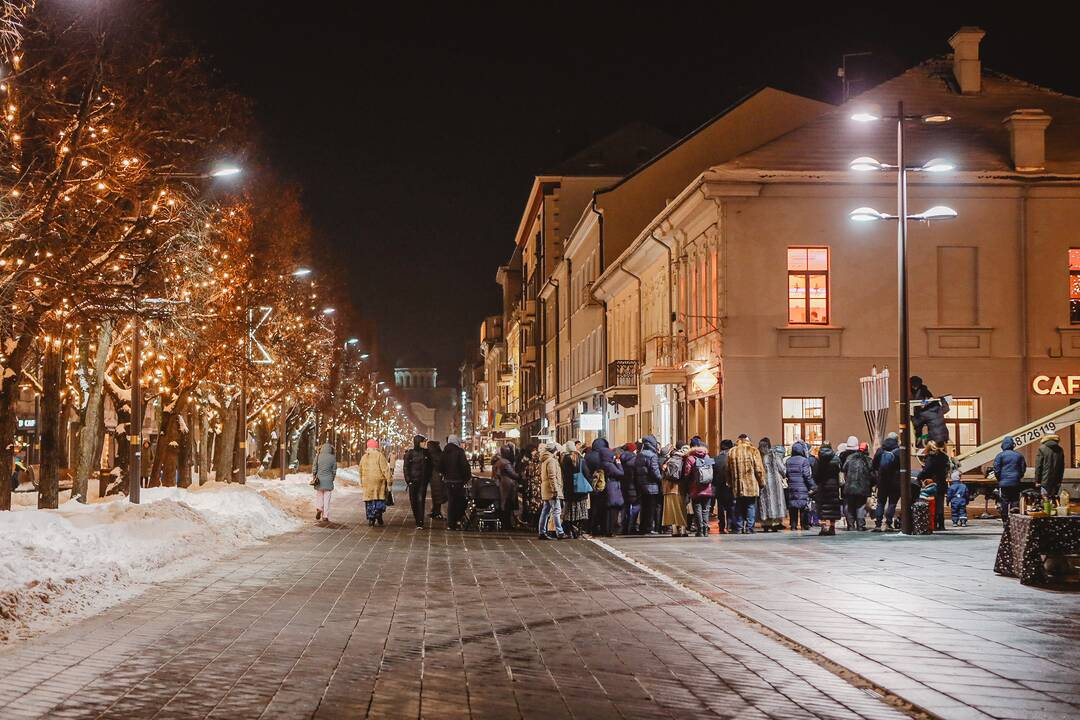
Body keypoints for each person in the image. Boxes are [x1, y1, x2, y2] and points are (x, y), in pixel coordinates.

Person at [585, 437, 623, 537]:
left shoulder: (588, 456)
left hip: (592, 486)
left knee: (593, 508)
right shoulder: (606, 459)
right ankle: (603, 528)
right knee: (604, 509)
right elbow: (619, 473)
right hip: (605, 487)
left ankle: (591, 528)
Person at [729, 434, 765, 533]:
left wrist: (730, 483)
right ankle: (749, 528)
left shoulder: (732, 451)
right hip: (751, 484)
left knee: (738, 506)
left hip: (737, 484)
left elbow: (728, 470)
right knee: (751, 506)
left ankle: (739, 527)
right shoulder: (753, 451)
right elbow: (759, 469)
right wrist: (761, 482)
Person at [839, 437, 873, 531]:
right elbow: (872, 472)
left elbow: (844, 468)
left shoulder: (850, 458)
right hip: (863, 486)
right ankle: (860, 525)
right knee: (860, 506)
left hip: (849, 485)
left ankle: (850, 525)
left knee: (849, 505)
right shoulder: (867, 460)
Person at [916, 440, 950, 530]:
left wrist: (919, 477)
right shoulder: (944, 456)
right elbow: (947, 468)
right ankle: (941, 524)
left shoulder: (930, 457)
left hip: (932, 482)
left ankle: (933, 524)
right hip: (942, 482)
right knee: (940, 503)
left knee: (932, 503)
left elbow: (927, 470)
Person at [992, 437, 1027, 524]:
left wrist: (999, 479)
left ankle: (1005, 520)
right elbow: (1023, 468)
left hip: (1004, 482)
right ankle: (1014, 519)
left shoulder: (1000, 456)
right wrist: (1019, 476)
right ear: (1013, 445)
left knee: (1004, 500)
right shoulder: (1019, 455)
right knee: (1015, 500)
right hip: (1015, 481)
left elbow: (996, 469)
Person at [440, 434, 472, 530]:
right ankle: (457, 521)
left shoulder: (444, 452)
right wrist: (466, 478)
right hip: (458, 481)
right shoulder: (459, 451)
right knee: (460, 501)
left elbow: (440, 466)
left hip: (448, 481)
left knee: (451, 502)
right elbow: (464, 466)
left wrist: (445, 475)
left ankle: (450, 523)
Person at [871, 432, 902, 531]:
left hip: (882, 480)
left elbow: (874, 465)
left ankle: (878, 524)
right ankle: (888, 523)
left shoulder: (880, 450)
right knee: (892, 503)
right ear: (897, 440)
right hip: (895, 481)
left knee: (880, 502)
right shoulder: (899, 451)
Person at [684, 437, 714, 537]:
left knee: (697, 508)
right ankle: (705, 529)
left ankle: (700, 529)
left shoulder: (690, 458)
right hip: (707, 487)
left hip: (695, 488)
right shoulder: (707, 457)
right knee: (706, 509)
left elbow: (687, 473)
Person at [537, 442, 566, 540]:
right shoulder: (551, 461)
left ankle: (541, 532)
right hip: (551, 489)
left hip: (546, 488)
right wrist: (555, 490)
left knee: (545, 511)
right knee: (557, 511)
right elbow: (552, 476)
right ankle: (560, 532)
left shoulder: (545, 460)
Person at [360, 439, 392, 527]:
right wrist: (389, 480)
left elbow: (360, 470)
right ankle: (378, 514)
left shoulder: (364, 457)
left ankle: (371, 518)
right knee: (379, 498)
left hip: (367, 482)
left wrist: (362, 481)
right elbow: (385, 469)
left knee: (369, 500)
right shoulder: (380, 456)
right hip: (378, 482)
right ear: (376, 447)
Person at [560, 442, 589, 538]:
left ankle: (571, 530)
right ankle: (579, 530)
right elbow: (586, 474)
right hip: (581, 490)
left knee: (569, 512)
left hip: (569, 490)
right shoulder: (580, 459)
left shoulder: (564, 460)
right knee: (582, 512)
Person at [757, 438, 787, 532]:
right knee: (775, 501)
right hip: (775, 483)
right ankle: (775, 523)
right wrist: (784, 474)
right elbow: (782, 468)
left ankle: (766, 523)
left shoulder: (758, 455)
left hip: (763, 482)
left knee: (764, 502)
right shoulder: (774, 455)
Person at [635, 435, 663, 535]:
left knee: (644, 507)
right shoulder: (652, 455)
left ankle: (642, 527)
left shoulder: (640, 454)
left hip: (641, 485)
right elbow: (654, 471)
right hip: (652, 485)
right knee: (651, 508)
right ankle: (649, 527)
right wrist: (661, 479)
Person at [785, 441, 816, 530]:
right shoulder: (804, 461)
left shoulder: (788, 460)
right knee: (803, 507)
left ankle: (793, 526)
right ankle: (803, 525)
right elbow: (807, 475)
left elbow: (786, 473)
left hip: (792, 486)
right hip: (802, 486)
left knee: (793, 507)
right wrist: (813, 486)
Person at [491, 444, 522, 531]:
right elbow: (513, 474)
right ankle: (507, 524)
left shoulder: (498, 461)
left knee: (504, 505)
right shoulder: (505, 463)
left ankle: (506, 523)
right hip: (507, 485)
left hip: (501, 484)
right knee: (507, 505)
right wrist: (520, 476)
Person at [403, 434, 431, 529]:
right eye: (423, 442)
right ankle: (417, 518)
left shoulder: (427, 453)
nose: (425, 443)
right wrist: (408, 480)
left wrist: (428, 478)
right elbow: (406, 467)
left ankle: (420, 522)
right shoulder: (410, 454)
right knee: (413, 501)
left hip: (422, 481)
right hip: (412, 481)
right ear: (418, 442)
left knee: (420, 500)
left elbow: (431, 466)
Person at [814, 443, 842, 535]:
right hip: (834, 484)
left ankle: (823, 527)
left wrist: (817, 482)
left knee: (823, 506)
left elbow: (816, 474)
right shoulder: (836, 459)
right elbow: (839, 471)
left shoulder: (818, 459)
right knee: (832, 506)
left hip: (822, 485)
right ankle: (832, 527)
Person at [662, 444, 689, 536]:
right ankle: (683, 530)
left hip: (668, 488)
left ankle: (674, 530)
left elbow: (664, 473)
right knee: (681, 510)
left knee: (671, 511)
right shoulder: (684, 460)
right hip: (679, 488)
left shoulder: (669, 460)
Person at [712, 439, 734, 534]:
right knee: (730, 506)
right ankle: (730, 525)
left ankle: (722, 525)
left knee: (721, 507)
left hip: (718, 487)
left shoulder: (715, 459)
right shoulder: (732, 459)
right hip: (730, 486)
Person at [1035, 434, 1065, 502]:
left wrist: (1037, 480)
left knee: (1045, 499)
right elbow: (1062, 466)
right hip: (1056, 480)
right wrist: (1059, 480)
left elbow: (1038, 466)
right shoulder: (1060, 449)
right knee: (1054, 499)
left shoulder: (1042, 448)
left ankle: (1047, 511)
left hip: (1045, 480)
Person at [312, 442, 337, 523]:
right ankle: (325, 516)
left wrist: (314, 475)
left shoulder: (318, 456)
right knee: (327, 499)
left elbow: (314, 467)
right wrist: (332, 478)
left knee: (319, 496)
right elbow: (334, 470)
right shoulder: (332, 458)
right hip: (328, 480)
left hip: (319, 480)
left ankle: (319, 508)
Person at [619, 442, 640, 535]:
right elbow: (637, 475)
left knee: (625, 507)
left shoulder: (620, 459)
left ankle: (624, 527)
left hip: (623, 487)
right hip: (634, 487)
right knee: (635, 507)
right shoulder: (635, 460)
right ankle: (632, 527)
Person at [426, 440, 446, 520]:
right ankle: (435, 511)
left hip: (436, 477)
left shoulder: (433, 454)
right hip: (436, 476)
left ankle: (437, 512)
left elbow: (437, 465)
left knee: (437, 495)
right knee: (435, 495)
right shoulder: (438, 453)